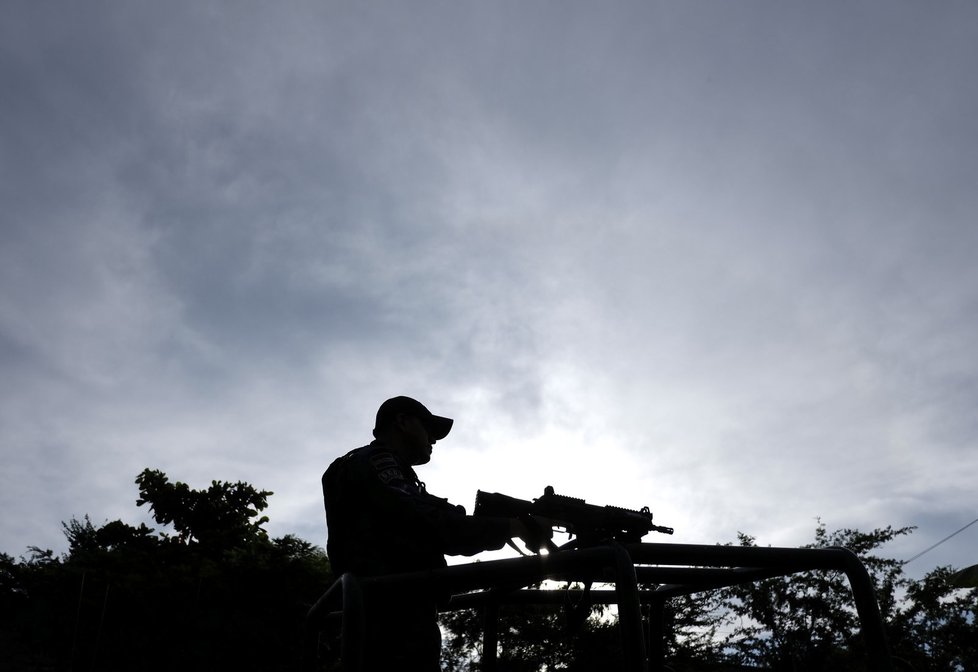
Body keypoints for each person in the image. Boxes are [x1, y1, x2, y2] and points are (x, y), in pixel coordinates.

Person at [322, 396, 535, 671]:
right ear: (402, 422)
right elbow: (430, 523)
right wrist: (513, 527)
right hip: (394, 623)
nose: (433, 440)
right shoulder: (376, 462)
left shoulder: (368, 467)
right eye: (428, 429)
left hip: (383, 616)